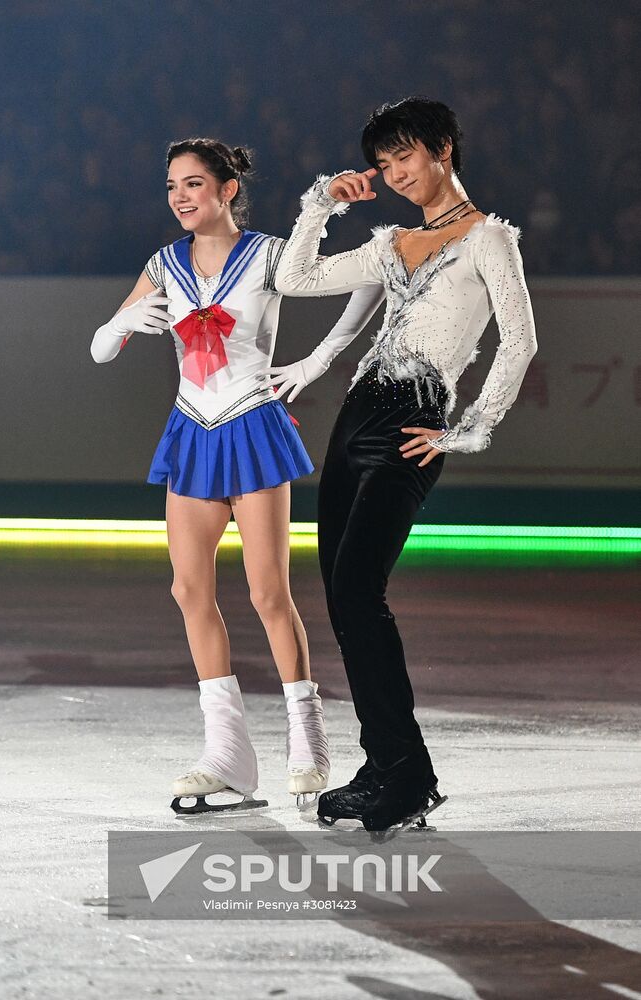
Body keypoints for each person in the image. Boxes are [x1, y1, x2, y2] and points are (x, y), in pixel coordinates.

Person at [267, 97, 537, 836]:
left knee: (359, 592)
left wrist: (468, 432)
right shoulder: (389, 243)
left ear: (442, 149)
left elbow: (518, 341)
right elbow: (294, 278)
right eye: (383, 166)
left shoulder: (490, 240)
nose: (394, 175)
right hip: (355, 420)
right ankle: (382, 762)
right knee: (341, 598)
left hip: (413, 422)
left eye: (403, 158)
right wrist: (321, 201)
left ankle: (408, 774)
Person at [90, 137, 382, 813]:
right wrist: (124, 320)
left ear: (227, 190)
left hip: (252, 425)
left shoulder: (272, 255)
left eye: (193, 184)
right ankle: (227, 754)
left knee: (267, 593)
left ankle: (307, 739)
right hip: (192, 430)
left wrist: (317, 359)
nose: (180, 197)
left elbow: (368, 277)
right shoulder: (163, 264)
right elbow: (102, 349)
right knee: (188, 589)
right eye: (171, 187)